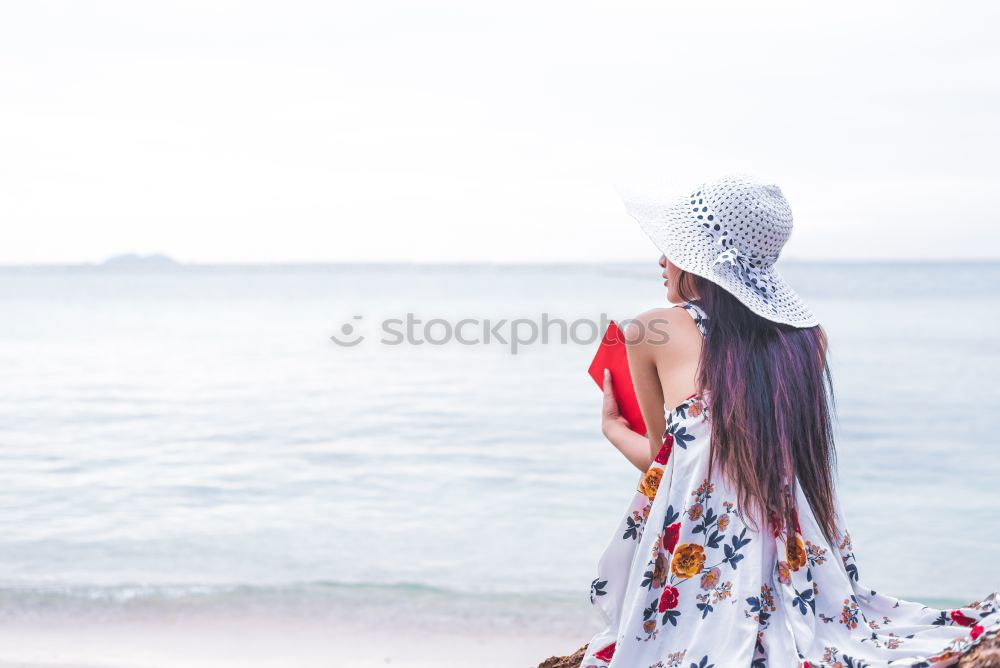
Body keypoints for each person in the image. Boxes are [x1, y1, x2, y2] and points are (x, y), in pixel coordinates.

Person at [581, 175, 999, 667]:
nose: (661, 259)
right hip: (798, 565)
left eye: (673, 247)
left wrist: (613, 430)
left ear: (702, 260)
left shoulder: (648, 329)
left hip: (700, 565)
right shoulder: (805, 340)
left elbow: (664, 467)